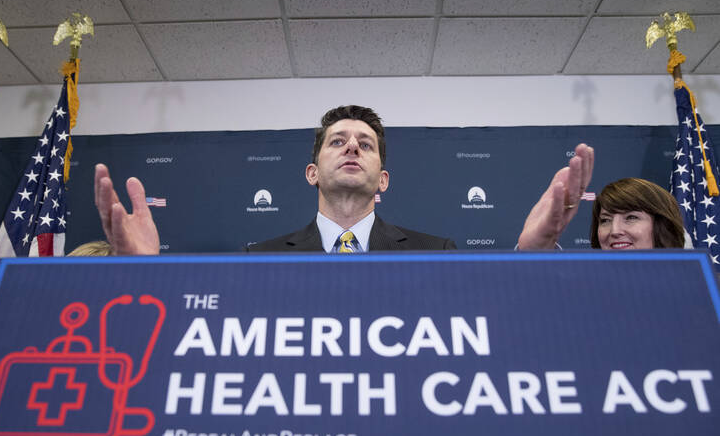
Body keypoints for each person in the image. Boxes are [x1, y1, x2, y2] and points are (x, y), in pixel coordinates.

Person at [94, 105, 594, 254]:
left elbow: (484, 330)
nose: (352, 146)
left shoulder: (435, 251)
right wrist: (143, 272)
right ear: (312, 173)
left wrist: (537, 251)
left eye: (365, 143)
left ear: (384, 180)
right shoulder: (260, 259)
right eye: (337, 141)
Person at [590, 177, 684, 250]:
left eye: (631, 217)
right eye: (605, 220)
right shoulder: (582, 274)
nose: (615, 231)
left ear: (662, 226)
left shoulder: (691, 274)